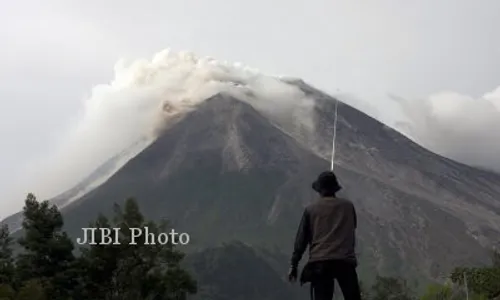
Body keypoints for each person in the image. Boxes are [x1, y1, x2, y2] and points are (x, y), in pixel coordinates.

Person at [288, 171, 361, 300]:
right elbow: (353, 226)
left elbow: (301, 240)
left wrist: (294, 264)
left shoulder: (311, 209)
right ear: (335, 189)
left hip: (320, 262)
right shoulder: (348, 207)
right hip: (344, 261)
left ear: (319, 190)